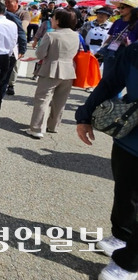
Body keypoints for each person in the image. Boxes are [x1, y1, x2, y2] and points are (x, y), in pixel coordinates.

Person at [76, 43, 138, 280]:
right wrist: (85, 115)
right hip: (130, 136)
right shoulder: (134, 51)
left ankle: (129, 262)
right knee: (125, 190)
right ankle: (122, 235)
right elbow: (110, 83)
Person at [24, 8, 79, 138]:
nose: (52, 20)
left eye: (53, 18)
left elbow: (40, 53)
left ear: (58, 21)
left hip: (51, 68)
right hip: (69, 69)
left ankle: (37, 128)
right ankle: (53, 125)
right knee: (60, 101)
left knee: (42, 99)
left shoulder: (51, 35)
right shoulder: (76, 35)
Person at [99, 0, 138, 77]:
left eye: (123, 7)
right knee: (106, 77)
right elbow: (110, 37)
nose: (120, 9)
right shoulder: (117, 21)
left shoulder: (136, 23)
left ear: (132, 9)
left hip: (126, 53)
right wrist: (103, 48)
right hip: (111, 52)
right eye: (119, 7)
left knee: (118, 79)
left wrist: (130, 44)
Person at [2, 0, 28, 96]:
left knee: (14, 66)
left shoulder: (24, 14)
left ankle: (11, 85)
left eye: (10, 2)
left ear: (17, 2)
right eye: (6, 3)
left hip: (15, 44)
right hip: (4, 42)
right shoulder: (4, 12)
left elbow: (23, 28)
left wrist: (22, 48)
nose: (7, 5)